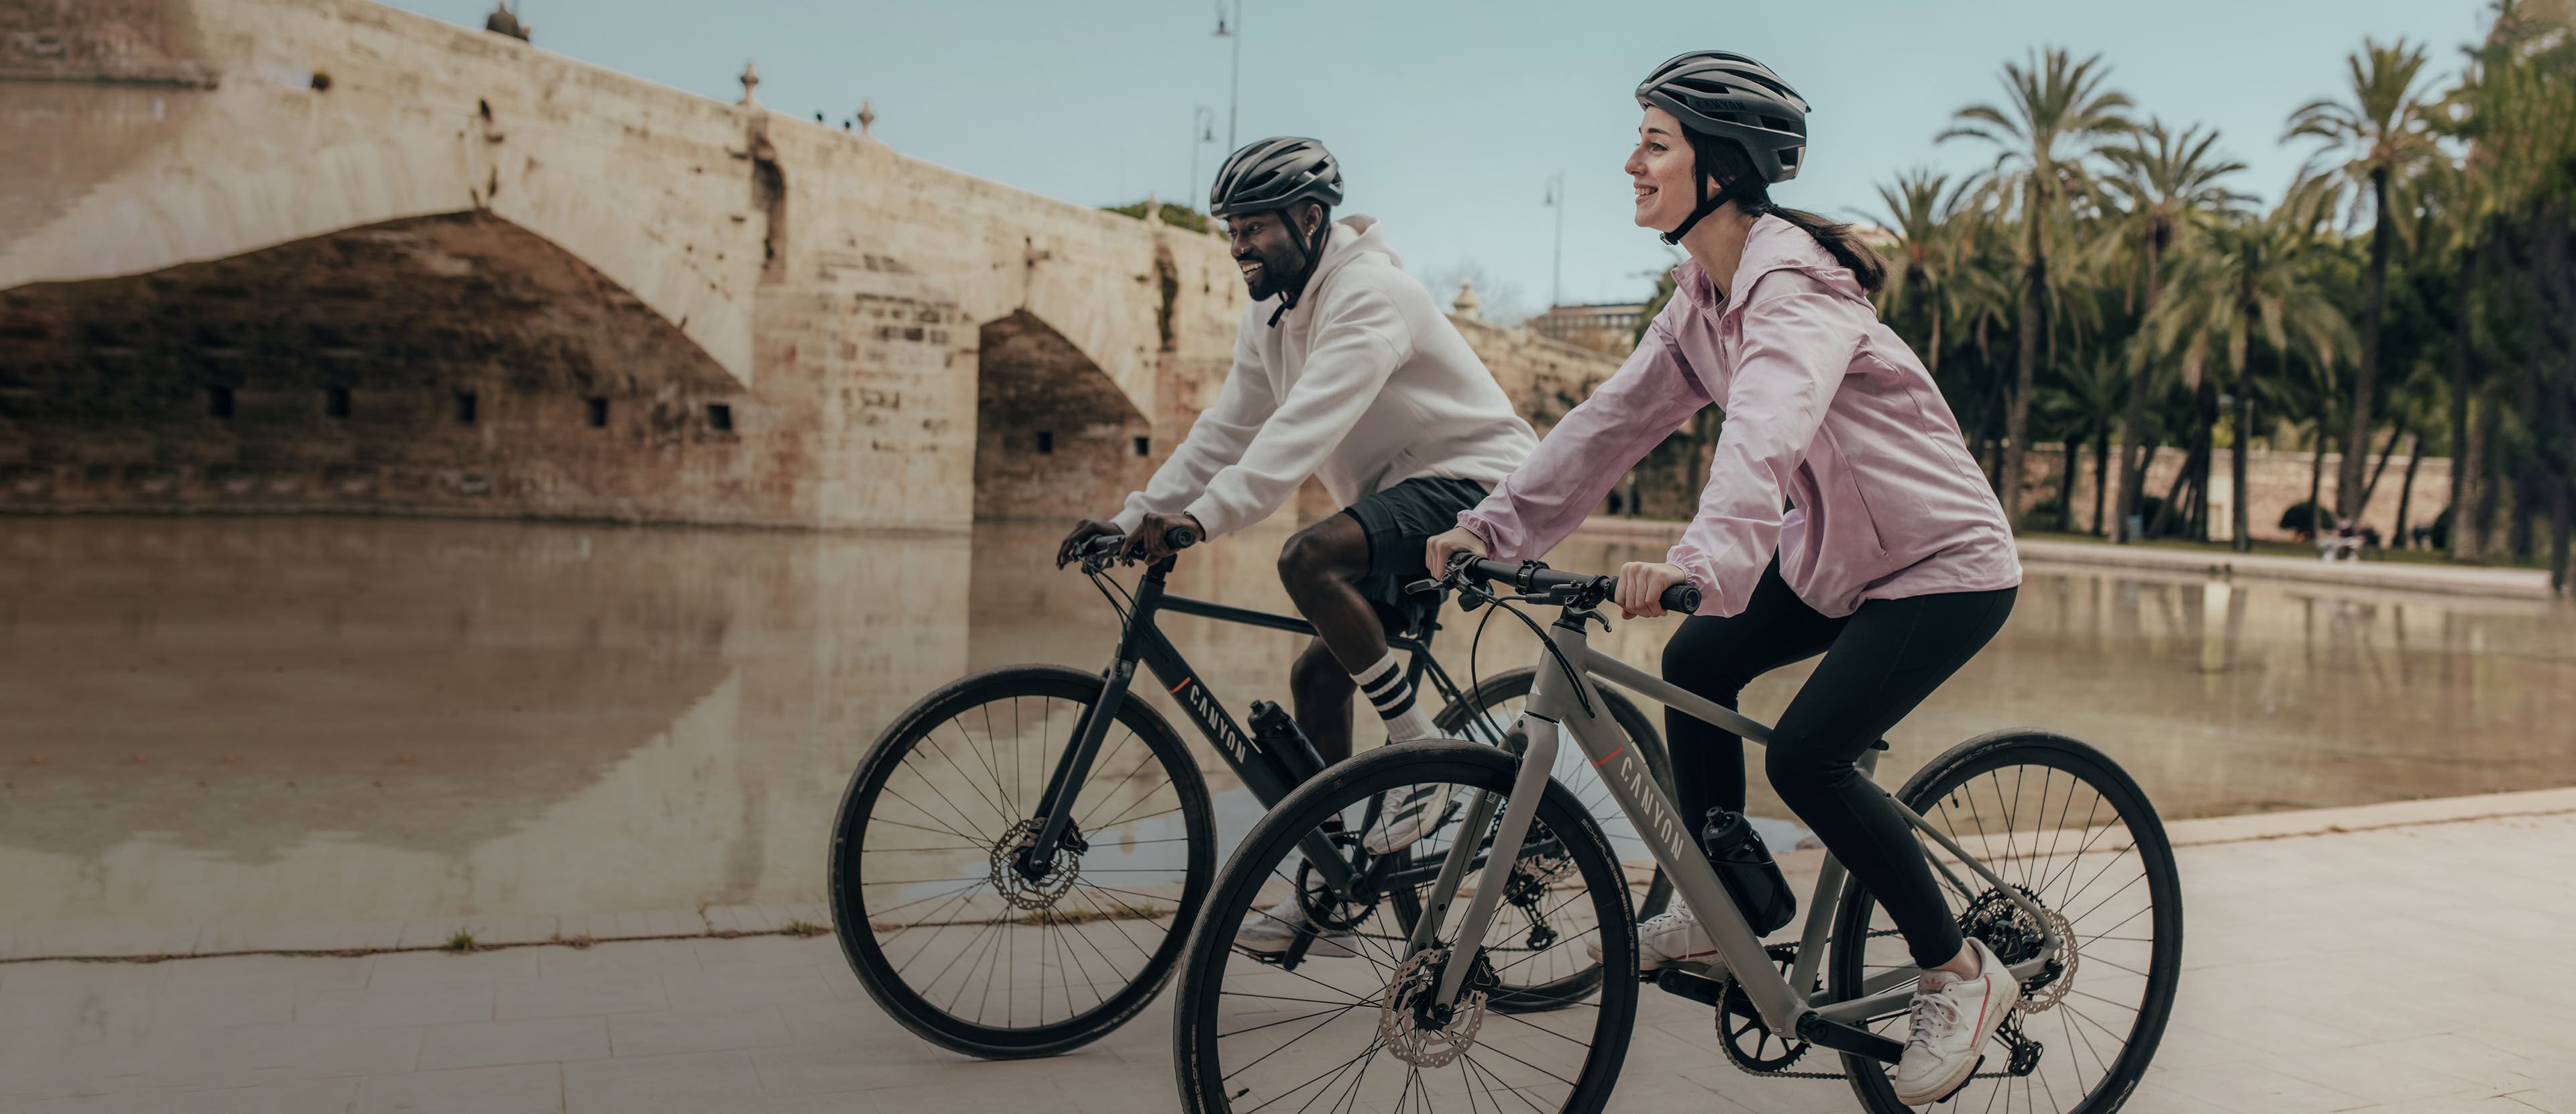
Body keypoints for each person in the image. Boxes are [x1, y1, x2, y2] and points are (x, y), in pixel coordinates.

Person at [1423, 52, 2025, 1105]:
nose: (1630, 163)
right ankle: (1722, 902)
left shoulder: (1794, 285)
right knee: (1699, 656)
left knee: (1809, 758)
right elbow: (1612, 424)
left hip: (1942, 565)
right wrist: (1496, 525)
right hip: (1838, 560)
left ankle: (1960, 974)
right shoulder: (1702, 296)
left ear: (1723, 165)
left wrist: (1701, 561)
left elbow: (1768, 426)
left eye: (1654, 143)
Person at [1055, 137, 1539, 952]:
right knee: (1320, 671)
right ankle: (1330, 896)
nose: (1239, 245)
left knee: (1305, 557)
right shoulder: (1271, 317)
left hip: (1478, 484)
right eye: (1231, 230)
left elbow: (1299, 427)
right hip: (1399, 497)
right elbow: (1224, 431)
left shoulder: (1371, 296)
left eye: (1255, 228)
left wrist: (1205, 519)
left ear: (1310, 219)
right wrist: (1133, 513)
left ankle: (1421, 748)